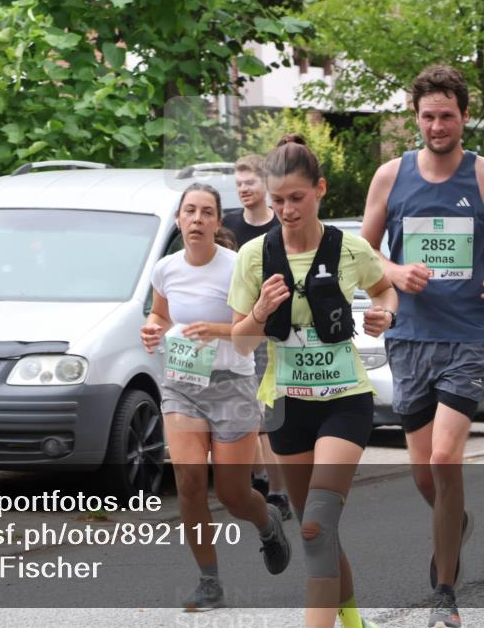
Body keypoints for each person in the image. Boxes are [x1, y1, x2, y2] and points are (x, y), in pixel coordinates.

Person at [361, 65, 484, 628]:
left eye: (447, 115)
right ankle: (452, 519)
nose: (437, 126)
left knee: (444, 458)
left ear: (464, 116)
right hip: (410, 338)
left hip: (469, 336)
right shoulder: (390, 175)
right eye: (428, 116)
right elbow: (361, 253)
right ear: (415, 118)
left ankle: (445, 596)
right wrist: (394, 268)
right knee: (425, 477)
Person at [230, 135, 398, 628]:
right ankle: (352, 619)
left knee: (316, 524)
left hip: (345, 400)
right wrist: (259, 312)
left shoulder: (350, 248)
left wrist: (384, 314)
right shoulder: (253, 257)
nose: (285, 209)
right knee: (313, 527)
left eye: (296, 198)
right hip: (286, 405)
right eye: (277, 200)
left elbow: (384, 289)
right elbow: (240, 344)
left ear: (319, 189)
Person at [140, 183, 291, 611]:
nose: (197, 219)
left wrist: (215, 329)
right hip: (181, 382)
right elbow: (161, 314)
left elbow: (251, 336)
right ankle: (210, 581)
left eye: (207, 212)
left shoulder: (238, 267)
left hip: (231, 382)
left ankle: (267, 523)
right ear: (179, 221)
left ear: (216, 222)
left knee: (232, 493)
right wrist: (153, 327)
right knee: (188, 481)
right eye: (190, 211)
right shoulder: (165, 269)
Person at [223, 154, 292, 521]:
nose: (244, 188)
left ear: (266, 185)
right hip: (237, 328)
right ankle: (259, 480)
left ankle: (279, 490)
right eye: (239, 183)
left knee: (271, 412)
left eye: (250, 182)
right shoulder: (228, 225)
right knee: (243, 410)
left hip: (271, 332)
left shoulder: (279, 225)